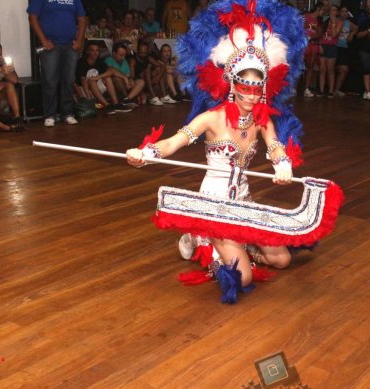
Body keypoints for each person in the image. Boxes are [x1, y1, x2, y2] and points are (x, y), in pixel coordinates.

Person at [127, 0, 310, 303]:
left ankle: (230, 245)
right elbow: (173, 142)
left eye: (257, 89)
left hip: (244, 203)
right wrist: (145, 153)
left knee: (281, 260)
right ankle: (203, 236)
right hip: (215, 205)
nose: (251, 95)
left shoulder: (261, 119)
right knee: (244, 277)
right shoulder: (211, 118)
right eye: (245, 87)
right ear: (232, 84)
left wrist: (283, 164)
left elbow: (276, 146)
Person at [27, 0, 86, 127]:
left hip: (70, 45)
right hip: (50, 45)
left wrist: (79, 41)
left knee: (69, 80)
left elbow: (82, 19)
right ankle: (49, 115)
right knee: (50, 80)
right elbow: (32, 17)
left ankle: (67, 113)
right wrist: (43, 40)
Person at [75, 41, 132, 113]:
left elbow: (111, 71)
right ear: (87, 51)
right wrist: (88, 96)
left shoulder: (99, 61)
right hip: (84, 89)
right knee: (92, 81)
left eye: (97, 50)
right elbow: (83, 80)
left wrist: (125, 78)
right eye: (92, 50)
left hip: (96, 87)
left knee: (107, 77)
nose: (95, 53)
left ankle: (116, 104)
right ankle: (107, 105)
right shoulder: (81, 62)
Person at [334, 6, 358, 97]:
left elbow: (356, 28)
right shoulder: (334, 20)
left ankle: (337, 89)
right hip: (334, 47)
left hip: (344, 48)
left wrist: (352, 33)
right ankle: (330, 89)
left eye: (346, 11)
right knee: (331, 69)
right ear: (339, 12)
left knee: (344, 69)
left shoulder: (348, 22)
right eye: (342, 11)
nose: (344, 13)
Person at [319, 5, 341, 97]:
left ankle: (331, 90)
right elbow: (320, 33)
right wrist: (320, 45)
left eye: (334, 10)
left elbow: (335, 34)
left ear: (337, 12)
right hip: (323, 45)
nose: (332, 12)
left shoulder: (339, 22)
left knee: (330, 70)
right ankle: (321, 90)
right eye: (331, 10)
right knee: (322, 69)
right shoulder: (325, 20)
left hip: (332, 47)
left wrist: (333, 23)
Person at [303, 2, 323, 98]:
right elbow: (299, 28)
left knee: (310, 66)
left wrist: (311, 37)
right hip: (303, 44)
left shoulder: (319, 20)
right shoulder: (306, 16)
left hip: (313, 45)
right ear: (318, 9)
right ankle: (293, 88)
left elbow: (319, 33)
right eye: (323, 10)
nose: (323, 13)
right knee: (300, 66)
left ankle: (306, 89)